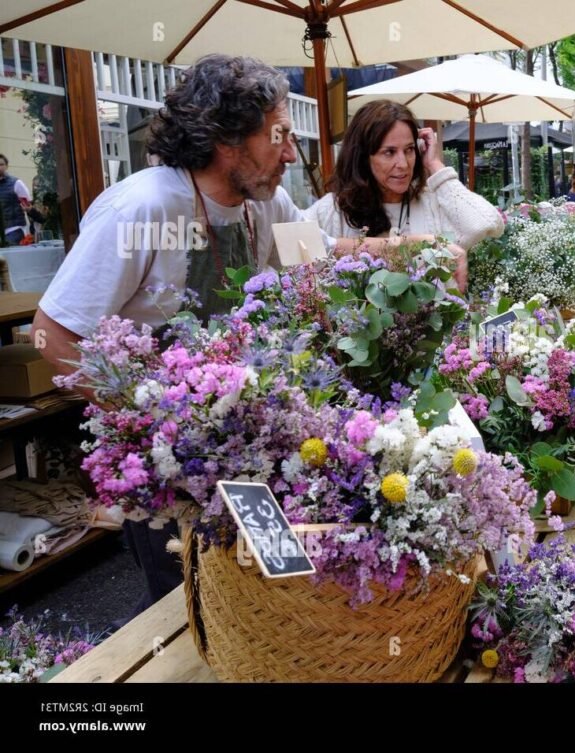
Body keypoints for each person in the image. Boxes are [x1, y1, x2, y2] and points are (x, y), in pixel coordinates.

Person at [32, 54, 334, 616]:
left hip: (253, 449)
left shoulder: (268, 203)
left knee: (270, 605)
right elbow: (51, 335)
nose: (291, 154)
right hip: (172, 468)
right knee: (188, 613)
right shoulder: (143, 206)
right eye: (279, 136)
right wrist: (153, 414)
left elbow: (319, 276)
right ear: (227, 140)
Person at [304, 100, 502, 259]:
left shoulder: (431, 202)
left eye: (409, 150)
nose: (403, 163)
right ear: (363, 157)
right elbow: (294, 249)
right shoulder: (332, 211)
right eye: (389, 152)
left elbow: (486, 223)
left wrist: (435, 165)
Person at [0, 153, 31, 244]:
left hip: (14, 229)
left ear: (7, 166)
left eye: (1, 164)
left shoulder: (16, 183)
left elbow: (28, 204)